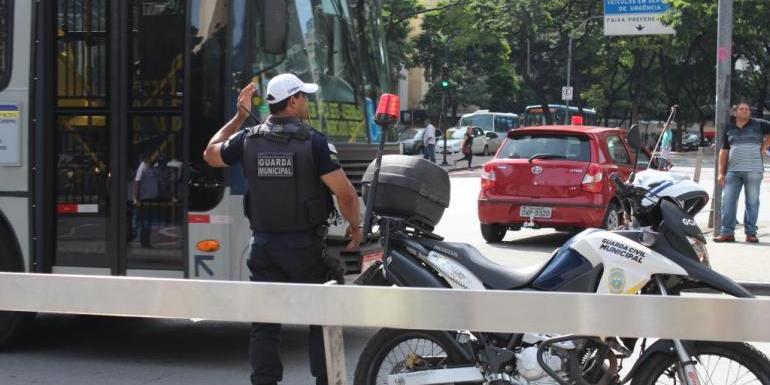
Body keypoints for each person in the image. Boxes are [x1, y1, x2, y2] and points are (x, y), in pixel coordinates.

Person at [202, 73, 364, 385]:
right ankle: (327, 380)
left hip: (263, 247)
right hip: (305, 248)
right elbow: (344, 194)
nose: (307, 101)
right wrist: (355, 226)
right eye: (304, 96)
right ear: (292, 101)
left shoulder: (247, 138)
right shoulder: (314, 142)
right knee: (322, 315)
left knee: (265, 322)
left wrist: (238, 117)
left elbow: (210, 153)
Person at [713, 101, 770, 243]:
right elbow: (724, 150)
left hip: (754, 170)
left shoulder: (759, 124)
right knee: (727, 202)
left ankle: (751, 233)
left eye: (747, 109)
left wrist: (764, 147)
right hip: (732, 171)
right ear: (735, 112)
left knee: (752, 201)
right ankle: (727, 233)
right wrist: (721, 172)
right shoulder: (729, 128)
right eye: (742, 109)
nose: (745, 111)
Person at [134, 153, 159, 248]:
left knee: (149, 221)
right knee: (145, 221)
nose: (156, 160)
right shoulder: (142, 168)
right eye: (155, 158)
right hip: (145, 199)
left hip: (151, 198)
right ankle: (144, 241)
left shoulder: (152, 168)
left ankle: (146, 240)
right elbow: (137, 182)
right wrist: (137, 198)